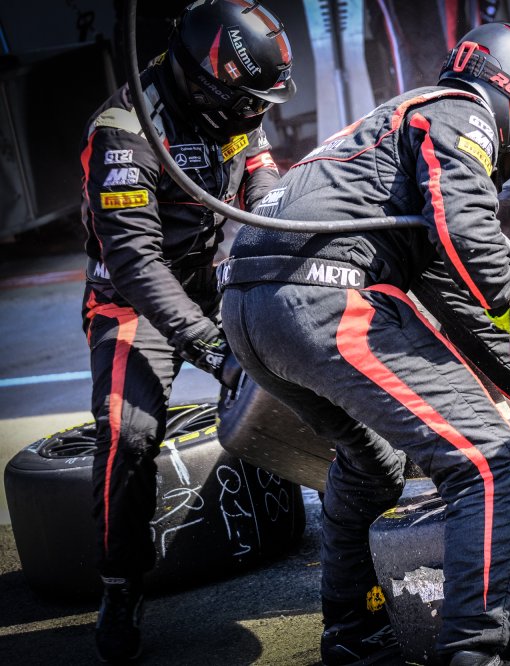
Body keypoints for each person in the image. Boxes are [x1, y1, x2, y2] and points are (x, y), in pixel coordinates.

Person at [218, 22, 510, 666]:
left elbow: (462, 305)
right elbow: (469, 241)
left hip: (250, 312)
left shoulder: (387, 141)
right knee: (489, 462)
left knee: (371, 465)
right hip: (323, 297)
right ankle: (473, 654)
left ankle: (352, 640)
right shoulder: (461, 110)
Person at [78, 0, 295, 661]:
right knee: (128, 434)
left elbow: (259, 169)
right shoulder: (124, 132)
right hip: (130, 300)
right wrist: (213, 349)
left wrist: (274, 213)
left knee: (313, 339)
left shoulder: (232, 106)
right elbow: (136, 264)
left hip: (209, 274)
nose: (255, 114)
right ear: (205, 80)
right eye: (247, 101)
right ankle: (120, 585)